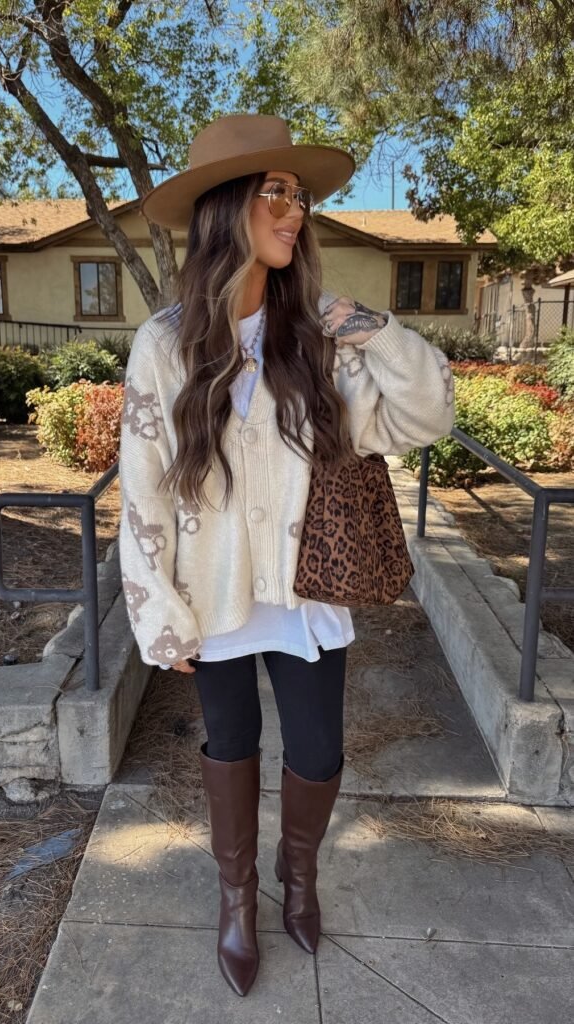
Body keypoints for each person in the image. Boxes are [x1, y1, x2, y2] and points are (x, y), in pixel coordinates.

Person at [118, 113, 455, 997]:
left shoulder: (319, 339)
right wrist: (157, 609)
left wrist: (371, 328)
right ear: (224, 207)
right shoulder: (164, 342)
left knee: (317, 750)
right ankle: (236, 899)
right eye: (273, 191)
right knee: (230, 743)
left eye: (298, 194)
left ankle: (296, 876)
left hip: (306, 593)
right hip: (212, 595)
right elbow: (144, 487)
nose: (293, 209)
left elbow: (425, 416)